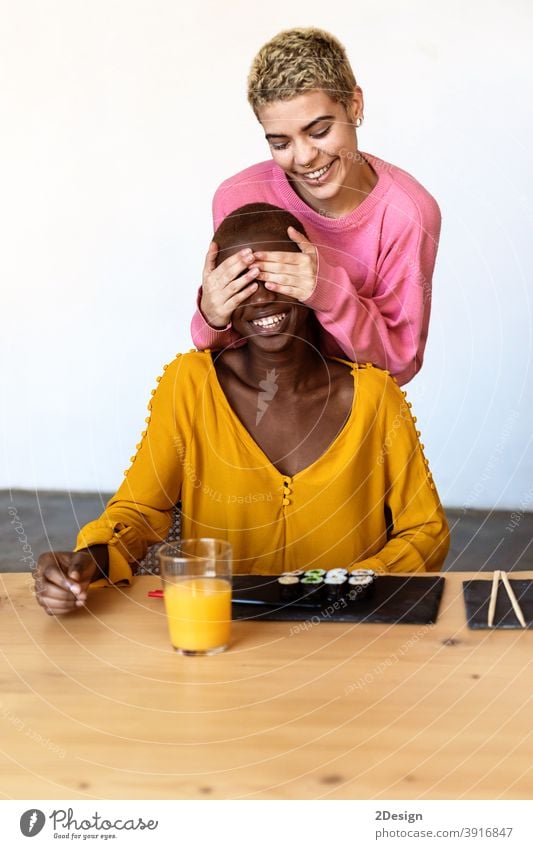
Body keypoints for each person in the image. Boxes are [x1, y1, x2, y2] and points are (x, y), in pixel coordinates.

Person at [34, 204, 449, 616]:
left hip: (346, 634)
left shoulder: (375, 396)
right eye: (241, 282)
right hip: (223, 631)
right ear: (219, 294)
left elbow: (425, 530)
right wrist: (91, 560)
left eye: (275, 275)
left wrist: (349, 585)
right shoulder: (190, 386)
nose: (263, 296)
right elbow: (140, 512)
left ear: (309, 278)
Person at [191, 28, 441, 385]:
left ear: (354, 105)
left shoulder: (407, 212)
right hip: (262, 406)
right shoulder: (238, 197)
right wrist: (211, 317)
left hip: (353, 412)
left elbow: (399, 365)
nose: (305, 157)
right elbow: (231, 348)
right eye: (280, 143)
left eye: (320, 131)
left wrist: (325, 290)